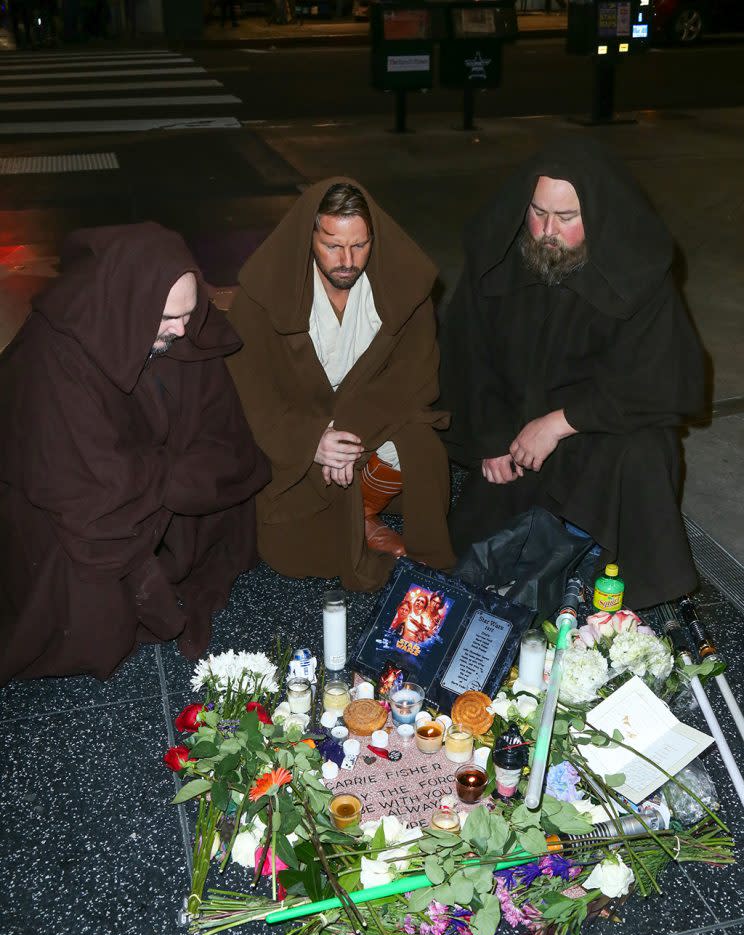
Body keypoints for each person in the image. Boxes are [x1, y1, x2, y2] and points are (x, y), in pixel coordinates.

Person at [440, 136, 706, 609]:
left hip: (597, 426)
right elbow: (470, 356)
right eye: (538, 212)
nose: (546, 231)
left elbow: (657, 383)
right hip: (517, 431)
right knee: (483, 557)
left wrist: (561, 422)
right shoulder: (500, 257)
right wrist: (490, 439)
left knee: (645, 454)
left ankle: (614, 583)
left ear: (598, 217)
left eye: (566, 218)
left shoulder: (638, 270)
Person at [0, 222, 270, 685]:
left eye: (188, 313)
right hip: (69, 501)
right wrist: (165, 475)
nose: (183, 329)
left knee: (227, 493)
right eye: (168, 318)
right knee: (89, 599)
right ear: (129, 307)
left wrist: (166, 475)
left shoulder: (181, 331)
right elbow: (78, 485)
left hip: (142, 479)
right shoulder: (56, 354)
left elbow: (226, 436)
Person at [227, 178, 454, 591]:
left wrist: (348, 437)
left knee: (422, 448)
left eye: (360, 245)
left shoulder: (401, 289)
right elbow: (250, 393)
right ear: (307, 237)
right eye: (332, 245)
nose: (348, 260)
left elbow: (414, 375)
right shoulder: (262, 299)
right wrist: (313, 440)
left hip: (369, 424)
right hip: (295, 438)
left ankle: (362, 510)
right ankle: (357, 518)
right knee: (291, 550)